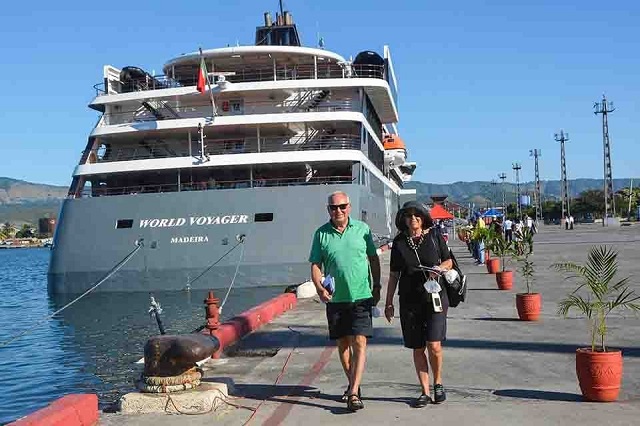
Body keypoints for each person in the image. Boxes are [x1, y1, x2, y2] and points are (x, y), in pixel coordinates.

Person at [309, 191, 381, 412]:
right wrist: (319, 288)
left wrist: (376, 285)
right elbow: (315, 265)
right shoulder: (321, 234)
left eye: (342, 206)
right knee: (343, 344)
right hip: (336, 298)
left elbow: (373, 258)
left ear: (349, 207)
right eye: (333, 207)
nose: (338, 211)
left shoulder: (362, 230)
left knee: (359, 341)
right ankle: (353, 384)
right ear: (328, 209)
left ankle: (353, 392)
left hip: (361, 295)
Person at [384, 201, 453, 408]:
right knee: (417, 347)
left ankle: (438, 383)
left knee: (434, 345)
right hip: (409, 301)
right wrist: (388, 302)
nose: (413, 219)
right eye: (409, 216)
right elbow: (394, 274)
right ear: (404, 219)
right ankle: (424, 391)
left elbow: (449, 261)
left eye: (417, 215)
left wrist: (439, 268)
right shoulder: (399, 243)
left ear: (423, 218)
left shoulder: (433, 236)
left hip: (435, 297)